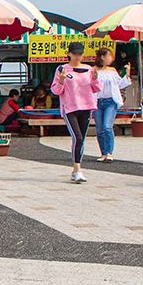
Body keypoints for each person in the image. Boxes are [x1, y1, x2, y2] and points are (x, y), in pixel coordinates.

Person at [51, 42, 102, 182]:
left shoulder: (88, 69)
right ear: (69, 54)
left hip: (86, 107)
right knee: (77, 137)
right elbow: (55, 90)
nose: (77, 56)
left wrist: (95, 79)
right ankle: (77, 168)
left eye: (80, 54)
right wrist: (61, 81)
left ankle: (76, 169)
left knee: (82, 138)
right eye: (74, 53)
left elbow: (96, 88)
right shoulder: (62, 69)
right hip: (69, 108)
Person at [93, 48, 130, 163]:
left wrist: (127, 74)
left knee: (107, 126)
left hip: (110, 101)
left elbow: (120, 84)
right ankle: (103, 152)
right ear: (102, 57)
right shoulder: (94, 70)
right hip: (97, 101)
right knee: (99, 129)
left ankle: (109, 152)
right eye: (109, 56)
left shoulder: (112, 70)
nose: (111, 58)